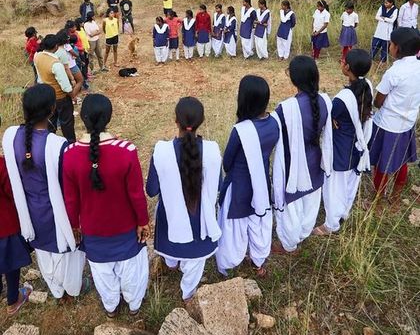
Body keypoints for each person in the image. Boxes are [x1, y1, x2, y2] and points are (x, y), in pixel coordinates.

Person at [63, 94, 150, 317]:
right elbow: (136, 194)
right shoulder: (126, 151)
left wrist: (74, 226)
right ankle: (134, 306)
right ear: (109, 117)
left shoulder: (70, 154)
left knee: (102, 275)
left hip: (93, 233)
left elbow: (71, 200)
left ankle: (111, 308)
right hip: (126, 230)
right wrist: (143, 222)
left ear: (82, 118)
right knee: (131, 272)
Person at [2, 85, 85, 299]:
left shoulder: (11, 136)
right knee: (66, 253)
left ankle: (57, 291)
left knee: (43, 251)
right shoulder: (58, 145)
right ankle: (73, 289)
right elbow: (69, 186)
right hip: (55, 212)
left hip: (28, 211)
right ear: (52, 109)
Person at [147, 97, 221, 301]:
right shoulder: (213, 150)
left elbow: (151, 190)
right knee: (195, 263)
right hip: (201, 226)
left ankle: (171, 264)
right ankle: (188, 293)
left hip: (169, 227)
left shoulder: (161, 150)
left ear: (175, 121)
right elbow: (219, 187)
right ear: (202, 120)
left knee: (172, 237)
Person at [216, 76, 280, 277]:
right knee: (257, 222)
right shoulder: (273, 124)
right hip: (261, 184)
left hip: (239, 187)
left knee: (235, 227)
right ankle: (258, 260)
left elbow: (227, 162)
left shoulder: (240, 130)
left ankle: (228, 263)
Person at [272, 56, 333, 254]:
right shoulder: (325, 100)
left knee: (292, 205)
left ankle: (289, 244)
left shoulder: (286, 108)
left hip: (294, 163)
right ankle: (303, 232)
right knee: (311, 199)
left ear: (294, 79)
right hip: (316, 159)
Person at [314, 49, 373, 235]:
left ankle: (331, 224)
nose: (341, 62)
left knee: (334, 186)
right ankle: (344, 211)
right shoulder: (367, 86)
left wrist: (330, 117)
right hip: (357, 145)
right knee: (350, 181)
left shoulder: (342, 98)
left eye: (343, 61)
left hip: (341, 148)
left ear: (347, 67)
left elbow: (327, 116)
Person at [369, 28, 420, 208]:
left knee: (383, 165)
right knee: (402, 162)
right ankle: (396, 197)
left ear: (397, 48)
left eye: (390, 44)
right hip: (407, 124)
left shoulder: (394, 72)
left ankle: (377, 201)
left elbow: (378, 101)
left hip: (388, 125)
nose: (389, 46)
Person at [0, 154, 32, 315]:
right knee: (10, 262)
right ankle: (13, 300)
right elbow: (12, 193)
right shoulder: (0, 164)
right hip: (4, 224)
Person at [34, 34, 76, 142]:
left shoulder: (37, 56)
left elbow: (39, 78)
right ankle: (70, 144)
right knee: (66, 123)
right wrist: (73, 96)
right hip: (60, 97)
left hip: (47, 96)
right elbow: (66, 87)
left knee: (50, 122)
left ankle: (48, 143)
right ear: (56, 46)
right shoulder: (56, 64)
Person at [55, 30, 82, 106]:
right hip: (71, 66)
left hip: (63, 67)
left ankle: (72, 97)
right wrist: (77, 55)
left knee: (68, 84)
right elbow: (73, 53)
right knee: (80, 81)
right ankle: (73, 97)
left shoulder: (56, 47)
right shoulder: (66, 45)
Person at [371, 0, 398, 64]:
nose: (385, 4)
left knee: (385, 48)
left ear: (391, 3)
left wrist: (383, 18)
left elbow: (392, 20)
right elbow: (376, 17)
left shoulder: (395, 9)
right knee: (374, 46)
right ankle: (370, 59)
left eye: (387, 3)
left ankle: (382, 62)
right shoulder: (382, 7)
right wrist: (386, 19)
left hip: (387, 32)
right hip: (379, 30)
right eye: (385, 3)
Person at [75, 18, 90, 87]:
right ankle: (85, 77)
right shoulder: (76, 32)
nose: (83, 23)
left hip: (85, 48)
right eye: (82, 23)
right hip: (81, 50)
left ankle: (86, 74)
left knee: (87, 62)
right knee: (83, 64)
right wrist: (82, 49)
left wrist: (88, 47)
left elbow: (85, 38)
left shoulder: (82, 29)